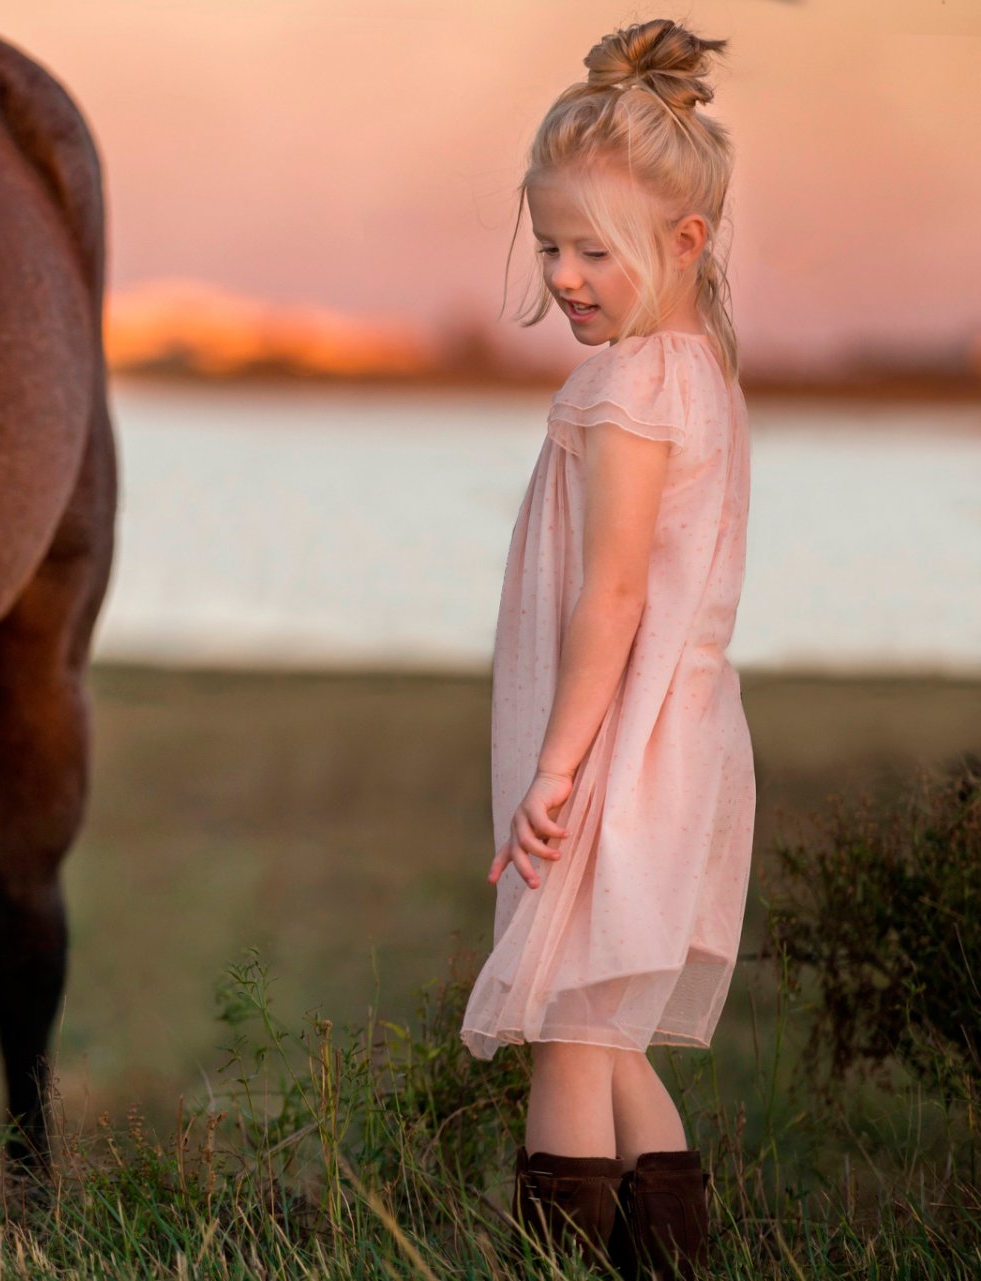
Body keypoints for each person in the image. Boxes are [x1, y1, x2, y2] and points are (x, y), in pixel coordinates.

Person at [457, 18, 754, 1279]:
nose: (567, 276)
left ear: (686, 242)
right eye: (550, 247)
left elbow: (615, 595)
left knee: (572, 1041)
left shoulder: (629, 388)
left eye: (594, 249)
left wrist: (559, 768)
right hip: (672, 745)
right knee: (611, 1039)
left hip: (617, 754)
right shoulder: (696, 371)